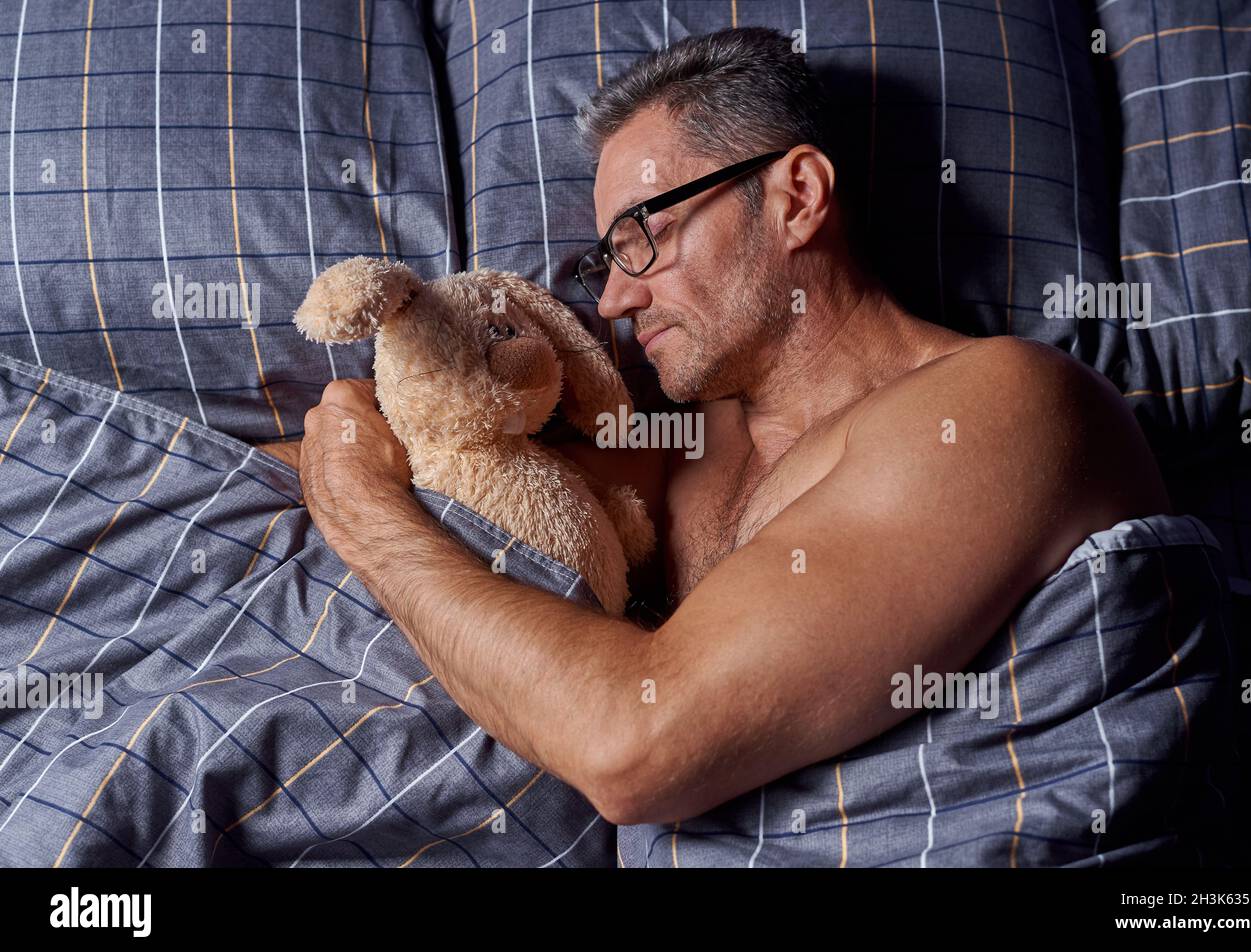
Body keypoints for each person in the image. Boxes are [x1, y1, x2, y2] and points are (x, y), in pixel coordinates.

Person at [263, 27, 1170, 826]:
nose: (614, 301)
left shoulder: (997, 407)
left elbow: (634, 746)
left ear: (797, 196)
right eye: (603, 263)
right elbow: (460, 474)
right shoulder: (697, 446)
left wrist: (366, 518)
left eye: (642, 235)